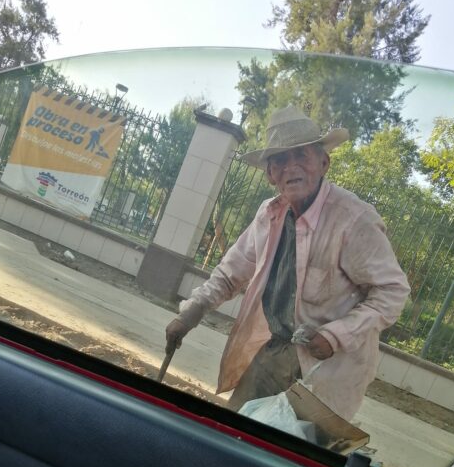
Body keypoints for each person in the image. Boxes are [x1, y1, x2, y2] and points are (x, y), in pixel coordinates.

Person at [165, 105, 410, 420]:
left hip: (330, 368)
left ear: (323, 162)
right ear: (269, 174)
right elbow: (230, 275)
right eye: (279, 160)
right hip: (276, 348)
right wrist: (190, 315)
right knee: (234, 431)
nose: (291, 167)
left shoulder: (354, 219)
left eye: (302, 156)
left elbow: (392, 291)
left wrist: (337, 334)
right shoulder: (269, 214)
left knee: (291, 455)